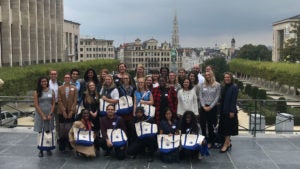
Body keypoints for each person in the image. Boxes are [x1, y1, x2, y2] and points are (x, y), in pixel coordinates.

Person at [33, 77, 55, 157]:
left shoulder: (51, 91)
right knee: (40, 132)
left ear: (47, 82)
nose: (44, 83)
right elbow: (36, 104)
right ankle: (41, 150)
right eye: (42, 81)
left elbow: (53, 104)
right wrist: (42, 115)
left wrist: (50, 113)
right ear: (40, 82)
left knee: (48, 131)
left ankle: (48, 148)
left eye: (45, 81)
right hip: (40, 115)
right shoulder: (36, 92)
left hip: (49, 114)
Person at [199, 71, 220, 148]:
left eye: (208, 75)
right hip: (204, 107)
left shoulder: (217, 85)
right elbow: (200, 96)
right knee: (203, 125)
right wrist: (203, 106)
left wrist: (210, 106)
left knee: (211, 125)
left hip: (212, 108)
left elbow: (217, 97)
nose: (207, 76)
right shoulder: (202, 85)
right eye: (206, 75)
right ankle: (204, 140)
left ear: (212, 75)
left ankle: (211, 141)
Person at [218, 72, 239, 153]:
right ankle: (228, 142)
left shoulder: (234, 87)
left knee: (228, 129)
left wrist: (232, 111)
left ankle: (226, 144)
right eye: (225, 77)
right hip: (223, 110)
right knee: (224, 127)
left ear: (231, 78)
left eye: (228, 77)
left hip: (229, 111)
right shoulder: (224, 86)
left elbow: (234, 100)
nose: (226, 78)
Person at [57, 74, 78, 151]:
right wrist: (63, 111)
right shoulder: (59, 88)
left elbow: (75, 100)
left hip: (71, 111)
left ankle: (69, 142)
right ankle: (62, 143)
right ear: (64, 78)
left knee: (69, 128)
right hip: (61, 111)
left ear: (70, 79)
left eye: (68, 77)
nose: (67, 79)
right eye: (65, 77)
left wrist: (72, 111)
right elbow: (59, 100)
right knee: (62, 128)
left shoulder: (74, 88)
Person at [48, 70, 62, 139]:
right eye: (52, 74)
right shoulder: (46, 83)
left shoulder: (59, 83)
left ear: (57, 75)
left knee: (58, 121)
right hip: (49, 104)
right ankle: (48, 135)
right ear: (49, 75)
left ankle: (57, 136)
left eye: (55, 74)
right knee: (49, 120)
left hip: (57, 104)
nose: (53, 75)